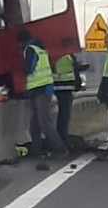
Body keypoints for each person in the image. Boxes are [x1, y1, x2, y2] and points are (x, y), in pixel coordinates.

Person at [17, 30, 68, 158]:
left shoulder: (30, 49)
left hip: (41, 89)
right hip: (39, 89)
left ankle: (60, 149)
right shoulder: (40, 49)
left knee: (45, 123)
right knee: (35, 124)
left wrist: (21, 67)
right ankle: (37, 150)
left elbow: (29, 68)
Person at [52, 52, 84, 145]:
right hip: (66, 88)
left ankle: (61, 138)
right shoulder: (68, 56)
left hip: (56, 87)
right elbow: (75, 70)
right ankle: (62, 139)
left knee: (61, 115)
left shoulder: (52, 55)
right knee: (64, 115)